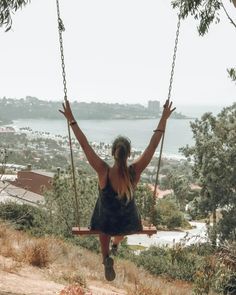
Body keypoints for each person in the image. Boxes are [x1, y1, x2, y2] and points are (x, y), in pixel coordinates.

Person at [60, 99, 175, 281]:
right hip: (128, 222)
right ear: (128, 154)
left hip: (104, 221)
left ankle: (106, 257)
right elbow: (152, 146)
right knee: (119, 231)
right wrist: (163, 118)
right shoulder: (134, 172)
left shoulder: (103, 170)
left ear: (113, 152)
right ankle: (116, 245)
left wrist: (71, 119)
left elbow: (84, 145)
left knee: (103, 229)